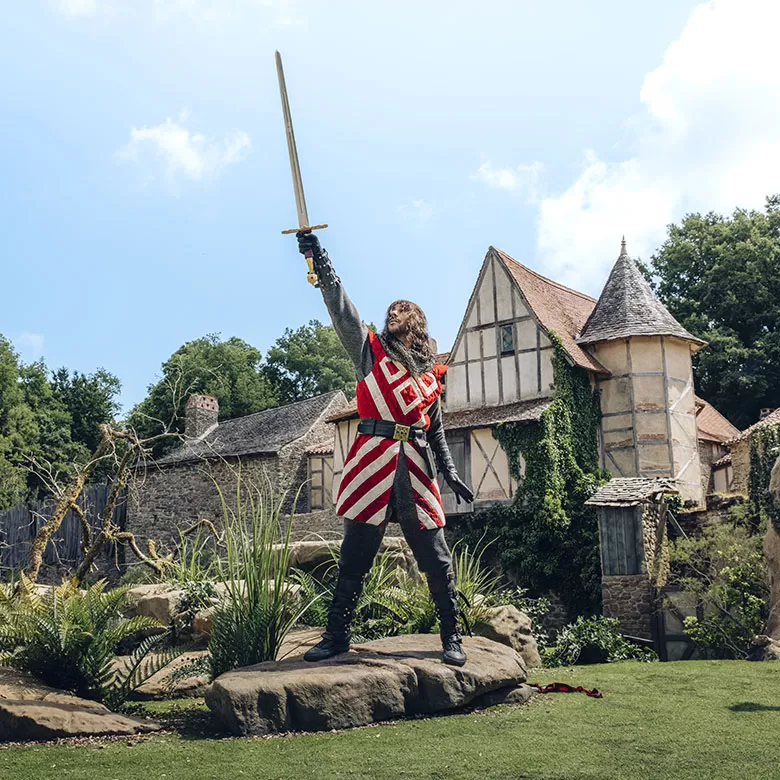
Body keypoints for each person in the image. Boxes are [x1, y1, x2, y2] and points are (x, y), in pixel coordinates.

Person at [296, 231, 475, 666]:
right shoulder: (371, 352)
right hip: (371, 462)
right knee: (354, 557)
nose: (394, 313)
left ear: (418, 324)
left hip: (415, 469)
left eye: (403, 310)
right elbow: (342, 310)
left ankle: (452, 637)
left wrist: (451, 472)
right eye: (391, 310)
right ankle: (336, 635)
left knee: (436, 557)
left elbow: (435, 429)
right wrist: (322, 263)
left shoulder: (430, 376)